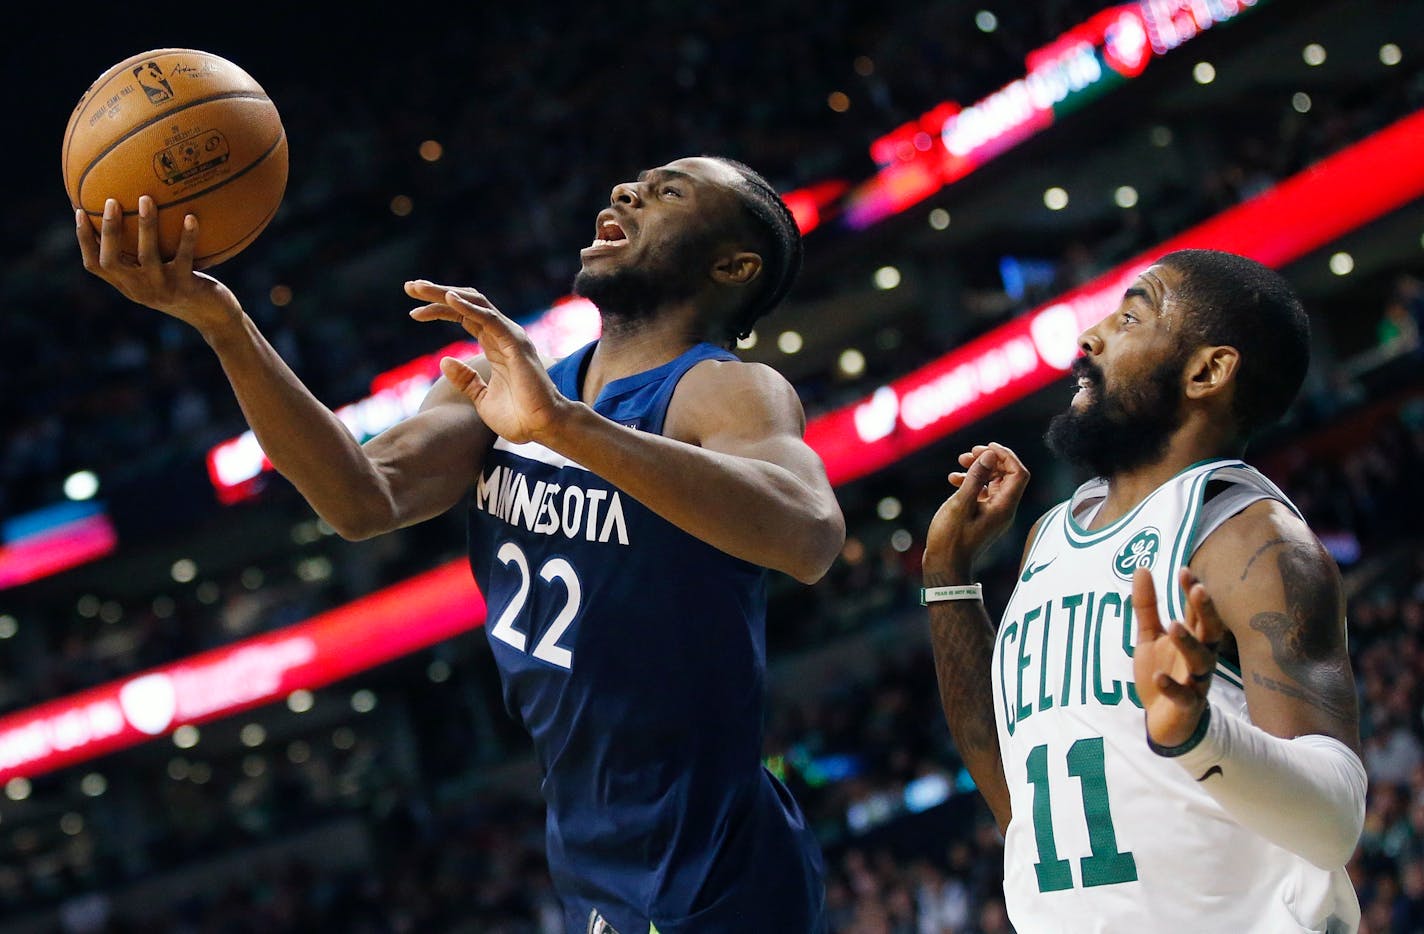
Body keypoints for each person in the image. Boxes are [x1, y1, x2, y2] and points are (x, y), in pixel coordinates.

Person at [76, 155, 846, 933]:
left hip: (713, 854)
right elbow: (358, 499)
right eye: (634, 182)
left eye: (669, 192)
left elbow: (810, 535)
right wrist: (225, 326)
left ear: (733, 265)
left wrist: (563, 427)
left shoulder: (721, 389)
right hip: (589, 847)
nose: (626, 190)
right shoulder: (498, 388)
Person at [921, 249, 1366, 932]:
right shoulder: (1049, 536)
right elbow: (1015, 800)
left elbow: (1333, 824)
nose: (1090, 335)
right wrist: (947, 577)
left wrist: (1198, 733)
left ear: (1207, 371)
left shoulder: (1249, 538)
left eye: (1131, 316)